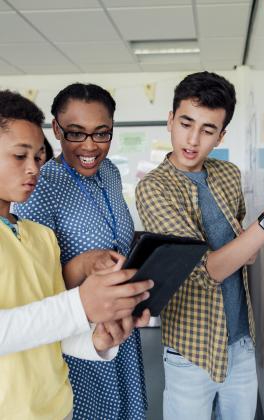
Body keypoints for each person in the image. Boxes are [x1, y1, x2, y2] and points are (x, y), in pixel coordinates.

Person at [135, 71, 264, 420]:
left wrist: (254, 236)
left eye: (208, 130)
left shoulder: (228, 174)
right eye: (185, 124)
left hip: (240, 341)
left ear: (221, 135)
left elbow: (245, 251)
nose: (193, 140)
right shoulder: (155, 188)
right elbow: (206, 271)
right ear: (170, 120)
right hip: (192, 349)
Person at [0, 89, 153, 419]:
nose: (33, 170)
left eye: (39, 157)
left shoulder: (38, 237)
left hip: (55, 405)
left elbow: (53, 329)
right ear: (59, 129)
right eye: (19, 156)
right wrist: (82, 301)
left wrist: (99, 339)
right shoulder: (46, 193)